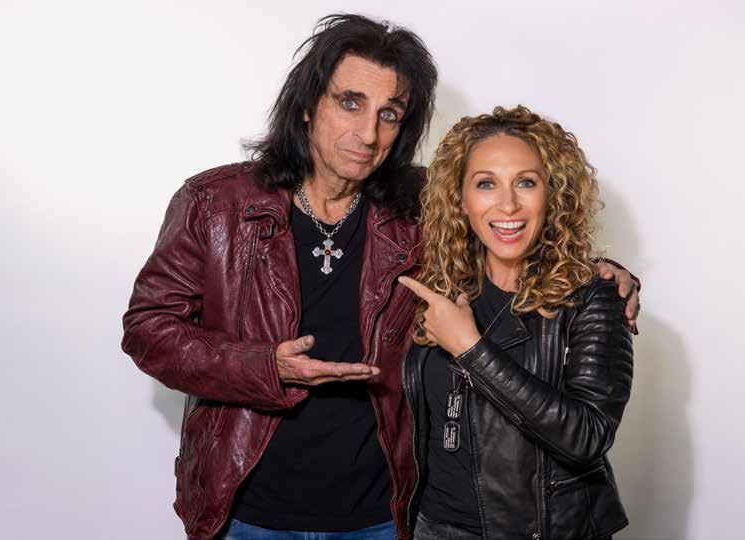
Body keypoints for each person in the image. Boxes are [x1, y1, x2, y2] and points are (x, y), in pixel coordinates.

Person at [121, 14, 640, 540]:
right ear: (307, 106)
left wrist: (601, 273)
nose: (368, 134)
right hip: (247, 511)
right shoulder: (216, 205)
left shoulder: (421, 206)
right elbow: (147, 330)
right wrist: (265, 367)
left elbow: (508, 225)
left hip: (384, 513)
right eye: (351, 103)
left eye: (389, 114)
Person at [399, 106, 634, 539]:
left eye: (526, 182)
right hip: (434, 527)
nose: (507, 204)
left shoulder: (592, 296)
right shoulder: (439, 287)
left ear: (553, 194)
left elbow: (588, 436)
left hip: (538, 530)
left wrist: (471, 349)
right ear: (460, 199)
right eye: (486, 183)